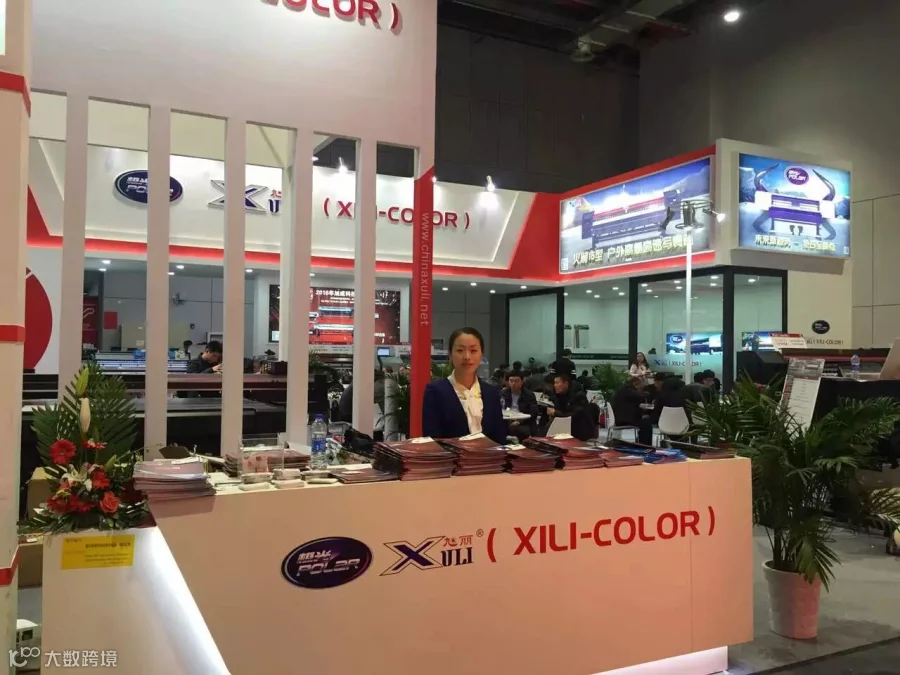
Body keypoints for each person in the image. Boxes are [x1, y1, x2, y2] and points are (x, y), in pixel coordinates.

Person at [422, 327, 507, 443]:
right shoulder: (436, 391)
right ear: (450, 354)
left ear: (481, 355)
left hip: (489, 455)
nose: (467, 357)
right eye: (460, 350)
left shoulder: (491, 393)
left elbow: (499, 438)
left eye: (473, 350)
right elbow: (433, 439)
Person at [546, 374, 598, 441]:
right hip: (564, 428)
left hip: (578, 429)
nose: (555, 385)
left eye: (557, 383)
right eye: (554, 383)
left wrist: (555, 413)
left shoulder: (578, 396)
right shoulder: (558, 396)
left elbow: (575, 415)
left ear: (566, 384)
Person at [611, 376, 653, 444]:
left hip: (620, 417)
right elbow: (641, 395)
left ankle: (642, 442)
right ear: (635, 383)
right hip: (624, 419)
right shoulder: (627, 390)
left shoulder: (623, 389)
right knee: (646, 423)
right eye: (640, 385)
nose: (641, 387)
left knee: (645, 422)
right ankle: (643, 444)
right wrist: (647, 393)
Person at [500, 370, 538, 440]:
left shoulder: (529, 395)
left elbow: (534, 413)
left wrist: (519, 421)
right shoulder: (504, 393)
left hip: (523, 422)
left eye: (516, 381)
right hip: (507, 420)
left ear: (522, 382)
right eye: (511, 381)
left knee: (516, 429)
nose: (513, 383)